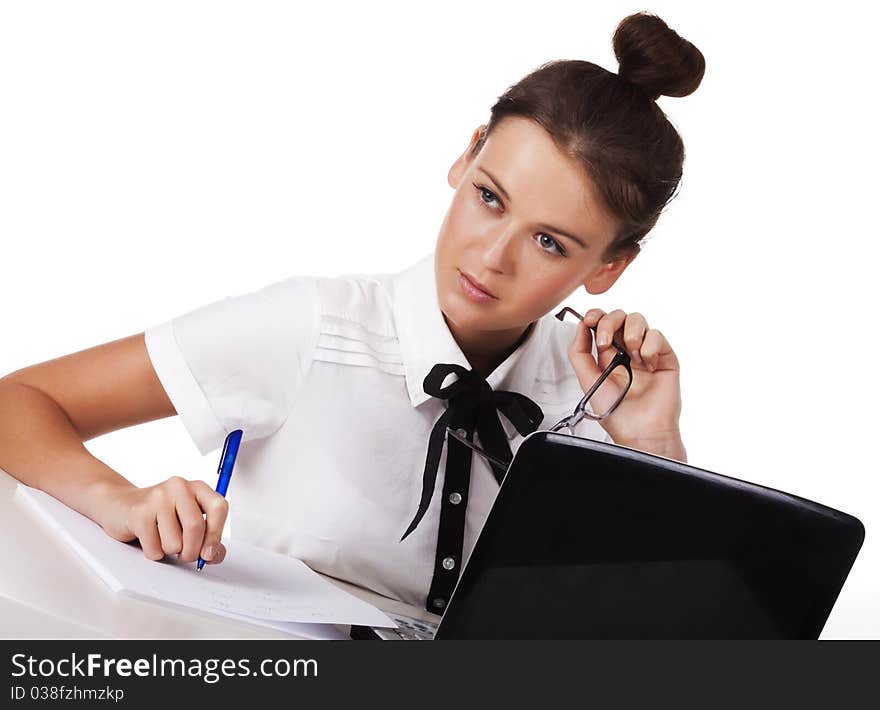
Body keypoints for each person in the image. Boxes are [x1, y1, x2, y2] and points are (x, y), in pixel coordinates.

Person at [0, 11, 705, 613]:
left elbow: (676, 627)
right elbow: (18, 402)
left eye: (549, 242)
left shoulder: (600, 399)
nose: (492, 257)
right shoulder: (314, 328)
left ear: (609, 268)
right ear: (466, 158)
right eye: (490, 197)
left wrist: (654, 448)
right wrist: (117, 500)